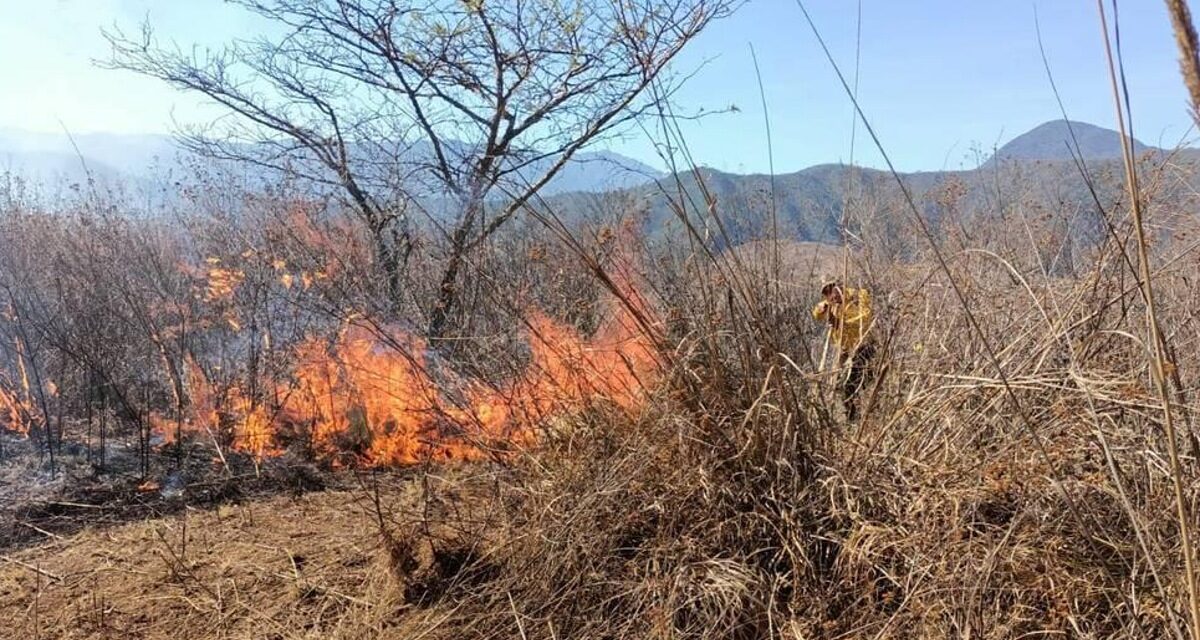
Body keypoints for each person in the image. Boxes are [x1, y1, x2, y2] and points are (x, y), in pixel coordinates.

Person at [812, 280, 876, 421]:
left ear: (840, 286)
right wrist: (821, 309)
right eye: (826, 293)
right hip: (846, 350)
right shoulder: (832, 303)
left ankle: (862, 416)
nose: (830, 295)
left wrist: (841, 324)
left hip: (864, 346)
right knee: (844, 385)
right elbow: (817, 314)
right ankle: (853, 418)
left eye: (832, 289)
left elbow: (865, 318)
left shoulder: (858, 296)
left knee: (854, 383)